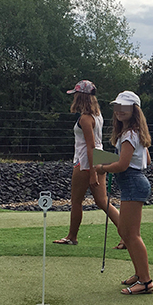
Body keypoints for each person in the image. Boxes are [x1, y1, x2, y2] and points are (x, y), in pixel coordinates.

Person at [95, 90, 153, 294]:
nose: (119, 110)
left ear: (134, 110)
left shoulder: (129, 134)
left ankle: (145, 281)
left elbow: (122, 165)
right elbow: (145, 160)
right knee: (125, 232)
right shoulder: (134, 132)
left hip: (132, 182)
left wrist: (101, 167)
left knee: (131, 234)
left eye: (124, 107)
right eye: (117, 106)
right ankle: (139, 274)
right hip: (134, 182)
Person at [53, 80, 120, 246]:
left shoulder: (84, 118)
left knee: (76, 201)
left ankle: (71, 237)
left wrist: (92, 173)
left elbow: (90, 146)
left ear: (80, 96)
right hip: (100, 157)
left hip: (86, 161)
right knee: (103, 201)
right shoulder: (97, 115)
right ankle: (127, 234)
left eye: (75, 94)